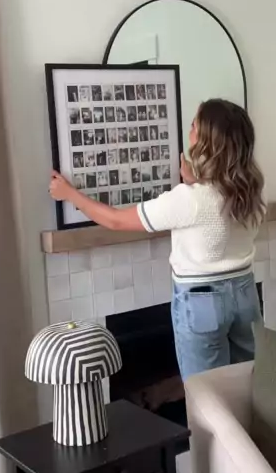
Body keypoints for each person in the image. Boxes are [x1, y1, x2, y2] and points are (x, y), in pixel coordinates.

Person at [49, 99, 265, 381]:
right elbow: (216, 218)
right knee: (247, 385)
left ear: (207, 141)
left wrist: (70, 194)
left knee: (207, 395)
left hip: (202, 301)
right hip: (246, 294)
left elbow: (116, 221)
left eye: (194, 126)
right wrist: (193, 183)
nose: (189, 131)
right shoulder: (251, 191)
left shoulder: (191, 200)